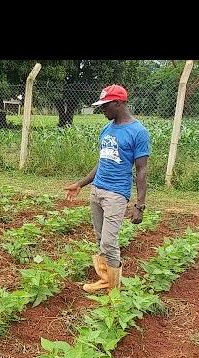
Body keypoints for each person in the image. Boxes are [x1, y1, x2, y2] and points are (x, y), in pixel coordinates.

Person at [64, 84, 149, 293]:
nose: (102, 110)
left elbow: (141, 170)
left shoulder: (138, 132)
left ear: (119, 103)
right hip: (97, 191)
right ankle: (105, 279)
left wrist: (140, 204)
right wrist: (81, 184)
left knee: (109, 242)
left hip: (116, 195)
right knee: (101, 239)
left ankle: (114, 288)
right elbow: (102, 162)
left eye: (105, 105)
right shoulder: (107, 129)